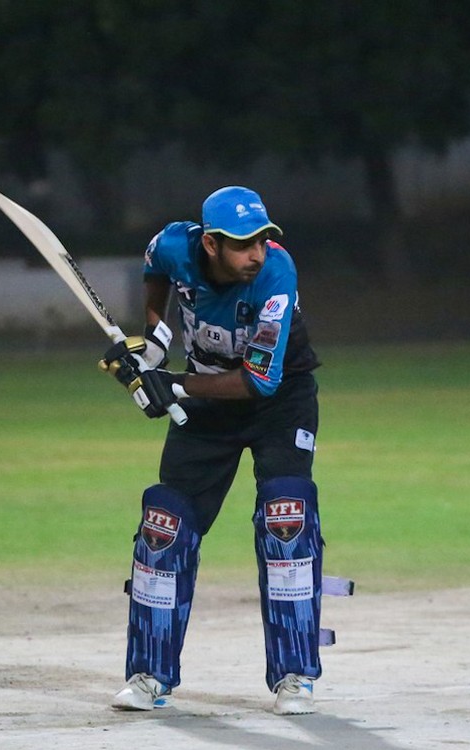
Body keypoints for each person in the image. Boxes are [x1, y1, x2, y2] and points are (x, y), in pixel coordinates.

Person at [100, 185, 324, 715]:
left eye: (262, 240)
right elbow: (155, 268)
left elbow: (259, 381)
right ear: (211, 244)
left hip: (279, 401)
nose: (256, 254)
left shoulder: (276, 272)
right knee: (164, 526)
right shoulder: (174, 245)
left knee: (286, 519)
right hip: (206, 397)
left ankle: (294, 676)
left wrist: (172, 385)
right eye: (243, 244)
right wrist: (155, 338)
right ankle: (150, 675)